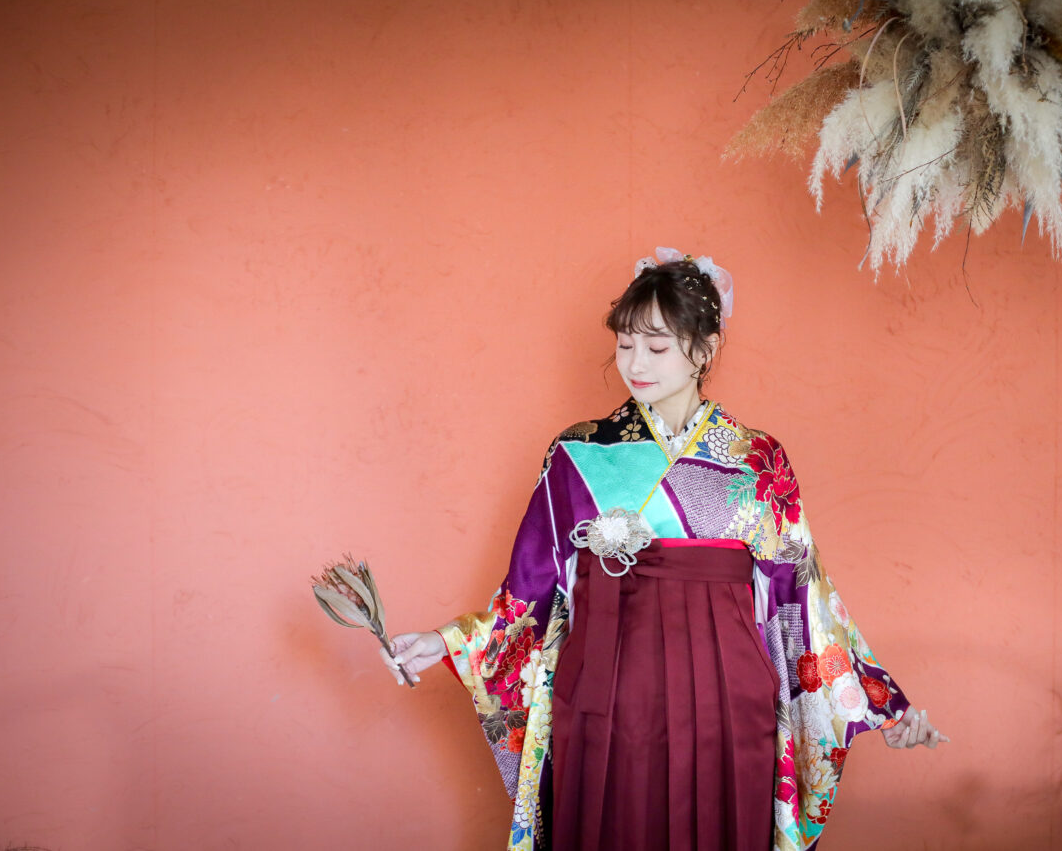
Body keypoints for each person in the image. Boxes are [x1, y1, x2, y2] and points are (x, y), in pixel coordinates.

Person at [380, 248, 947, 851]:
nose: (635, 364)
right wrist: (445, 641)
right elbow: (531, 587)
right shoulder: (578, 453)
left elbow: (801, 597)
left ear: (704, 349)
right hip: (607, 690)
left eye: (656, 347)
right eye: (625, 344)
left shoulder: (758, 459)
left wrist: (881, 705)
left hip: (729, 695)